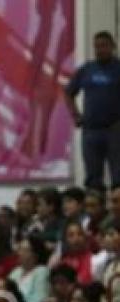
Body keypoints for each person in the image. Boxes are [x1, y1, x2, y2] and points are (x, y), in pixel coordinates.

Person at [65, 31, 120, 189]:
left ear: (112, 47)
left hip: (114, 131)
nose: (100, 50)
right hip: (90, 131)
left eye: (104, 46)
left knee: (118, 178)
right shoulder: (86, 70)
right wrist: (76, 115)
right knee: (93, 179)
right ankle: (95, 210)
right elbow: (68, 92)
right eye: (96, 46)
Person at [9, 235, 51, 302]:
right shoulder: (15, 272)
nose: (19, 253)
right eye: (19, 249)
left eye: (24, 250)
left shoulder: (41, 272)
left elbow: (39, 301)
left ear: (35, 255)